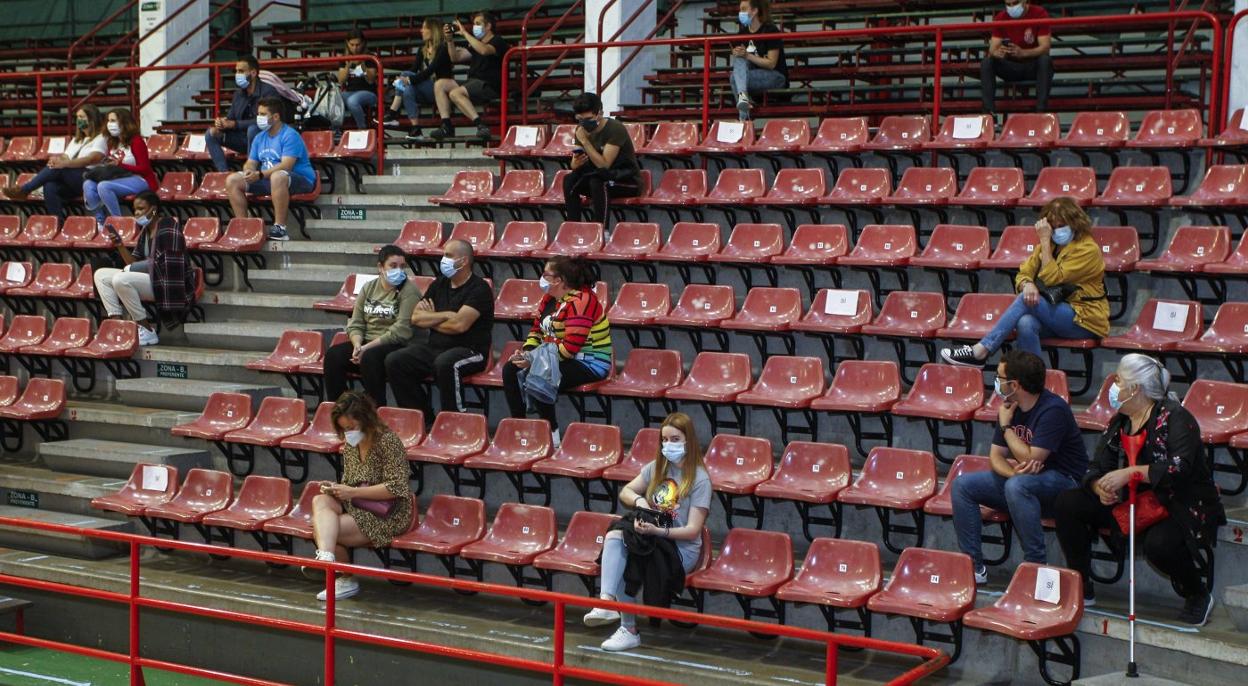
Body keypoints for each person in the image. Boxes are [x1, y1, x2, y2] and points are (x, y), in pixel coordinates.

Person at [1054, 354, 1225, 625]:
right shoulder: (1120, 421)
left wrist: (1131, 473)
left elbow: (1178, 469)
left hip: (1176, 504)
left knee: (1160, 545)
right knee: (1068, 502)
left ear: (1134, 389)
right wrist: (1100, 486)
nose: (1113, 386)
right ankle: (1082, 585)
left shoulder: (1176, 417)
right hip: (1130, 503)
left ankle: (1197, 593)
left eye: (1118, 380)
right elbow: (1096, 465)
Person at [952, 350, 1088, 583]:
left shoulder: (1052, 410)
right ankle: (975, 568)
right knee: (963, 485)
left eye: (1000, 377)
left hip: (1065, 484)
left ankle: (1035, 565)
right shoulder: (1010, 405)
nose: (996, 382)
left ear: (1015, 384)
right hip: (1027, 482)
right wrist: (1013, 473)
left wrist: (1006, 428)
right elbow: (996, 457)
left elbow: (1031, 458)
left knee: (1018, 487)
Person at [582, 411, 712, 651]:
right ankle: (606, 603)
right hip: (653, 538)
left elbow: (693, 531)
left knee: (629, 556)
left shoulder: (700, 479)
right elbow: (626, 492)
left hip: (680, 549)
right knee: (616, 535)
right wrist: (640, 502)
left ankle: (628, 628)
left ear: (688, 442)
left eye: (675, 439)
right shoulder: (656, 468)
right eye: (664, 440)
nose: (668, 445)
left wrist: (655, 531)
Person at [942, 197, 1107, 367]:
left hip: (1084, 319)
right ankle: (1032, 380)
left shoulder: (1088, 250)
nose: (1057, 231)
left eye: (1062, 226)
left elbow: (1052, 278)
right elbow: (1023, 273)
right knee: (1025, 323)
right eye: (1053, 226)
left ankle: (981, 350)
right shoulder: (1048, 246)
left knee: (1025, 300)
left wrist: (1043, 241)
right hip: (1055, 314)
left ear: (1075, 223)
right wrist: (1027, 283)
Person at [306, 391, 415, 601]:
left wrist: (351, 492)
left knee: (325, 529)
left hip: (389, 512)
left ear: (366, 420)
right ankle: (327, 557)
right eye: (344, 429)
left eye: (352, 427)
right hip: (357, 504)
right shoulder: (351, 446)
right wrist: (337, 489)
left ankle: (343, 577)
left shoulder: (388, 442)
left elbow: (397, 487)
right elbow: (352, 481)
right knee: (320, 501)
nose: (348, 433)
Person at [502, 256, 611, 446]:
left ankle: (551, 437)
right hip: (553, 357)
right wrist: (526, 353)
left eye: (546, 275)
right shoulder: (548, 299)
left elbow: (570, 348)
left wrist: (534, 361)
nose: (541, 278)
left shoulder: (582, 301)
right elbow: (536, 331)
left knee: (542, 374)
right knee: (511, 369)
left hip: (588, 362)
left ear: (559, 280)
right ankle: (519, 430)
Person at [384, 239, 493, 420]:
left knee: (445, 363)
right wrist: (447, 314)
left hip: (471, 350)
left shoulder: (479, 288)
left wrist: (433, 318)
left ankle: (454, 421)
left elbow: (459, 325)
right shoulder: (439, 284)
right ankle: (422, 419)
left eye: (448, 256)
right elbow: (416, 318)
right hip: (435, 347)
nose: (443, 260)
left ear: (464, 261)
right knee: (395, 361)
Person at [324, 245, 422, 407]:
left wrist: (366, 348)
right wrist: (357, 345)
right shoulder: (369, 287)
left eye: (402, 266)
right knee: (334, 355)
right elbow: (356, 323)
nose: (399, 270)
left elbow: (402, 330)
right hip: (367, 342)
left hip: (395, 344)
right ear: (380, 267)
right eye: (393, 266)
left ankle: (376, 409)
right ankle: (342, 409)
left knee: (370, 357)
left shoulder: (409, 291)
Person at [94, 191, 196, 345]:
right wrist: (120, 246)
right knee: (101, 275)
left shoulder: (169, 227)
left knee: (121, 279)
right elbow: (131, 263)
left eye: (141, 209)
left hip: (168, 282)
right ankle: (118, 327)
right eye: (135, 209)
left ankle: (147, 330)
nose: (137, 213)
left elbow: (169, 265)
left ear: (154, 210)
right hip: (151, 278)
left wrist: (132, 268)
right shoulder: (145, 231)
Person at [225, 97, 318, 241]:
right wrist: (248, 170)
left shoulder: (290, 135)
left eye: (263, 114)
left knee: (278, 176)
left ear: (275, 117)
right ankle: (244, 227)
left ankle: (280, 228)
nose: (258, 118)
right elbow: (251, 162)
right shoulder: (259, 137)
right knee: (233, 180)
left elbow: (287, 166)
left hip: (300, 179)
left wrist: (261, 175)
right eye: (258, 114)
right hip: (269, 179)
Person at [2, 105, 107, 218]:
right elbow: (65, 157)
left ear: (92, 119)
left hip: (89, 179)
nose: (78, 120)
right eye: (77, 117)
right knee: (50, 185)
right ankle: (58, 223)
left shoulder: (101, 138)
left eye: (82, 117)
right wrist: (57, 160)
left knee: (60, 169)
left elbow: (92, 159)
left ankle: (25, 190)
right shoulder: (77, 140)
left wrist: (64, 164)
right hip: (73, 181)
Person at [563, 92, 641, 230]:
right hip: (597, 176)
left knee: (598, 181)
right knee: (569, 180)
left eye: (588, 119)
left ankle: (601, 230)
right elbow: (574, 165)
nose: (584, 123)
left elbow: (604, 165)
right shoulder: (580, 129)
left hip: (624, 179)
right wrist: (576, 163)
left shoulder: (615, 128)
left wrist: (585, 142)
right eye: (580, 119)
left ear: (600, 113)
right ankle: (572, 228)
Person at [430, 11, 509, 141]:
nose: (474, 27)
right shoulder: (475, 43)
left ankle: (481, 125)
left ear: (488, 26)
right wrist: (450, 40)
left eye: (478, 24)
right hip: (472, 83)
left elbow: (484, 50)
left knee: (455, 93)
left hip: (489, 85)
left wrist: (465, 33)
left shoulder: (498, 41)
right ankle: (446, 126)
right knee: (440, 84)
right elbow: (456, 57)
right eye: (474, 24)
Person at [378, 18, 453, 140]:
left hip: (441, 91)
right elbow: (413, 70)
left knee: (406, 75)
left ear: (433, 30)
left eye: (424, 28)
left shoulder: (442, 48)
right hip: (427, 90)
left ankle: (392, 113)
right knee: (408, 90)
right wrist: (403, 79)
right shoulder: (422, 49)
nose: (421, 30)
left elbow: (429, 71)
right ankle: (416, 129)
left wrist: (407, 79)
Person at [83, 108, 158, 227]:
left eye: (113, 120)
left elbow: (145, 169)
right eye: (108, 120)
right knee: (88, 184)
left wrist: (120, 165)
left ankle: (118, 223)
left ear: (124, 122)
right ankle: (100, 222)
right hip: (119, 178)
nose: (109, 124)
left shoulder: (137, 141)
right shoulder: (112, 142)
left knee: (103, 186)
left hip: (141, 179)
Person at [205, 55, 275, 173]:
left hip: (265, 139)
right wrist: (223, 123)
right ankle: (224, 173)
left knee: (252, 130)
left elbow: (267, 121)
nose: (237, 74)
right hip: (242, 138)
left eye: (241, 71)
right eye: (236, 71)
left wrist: (235, 124)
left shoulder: (268, 91)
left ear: (253, 73)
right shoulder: (238, 94)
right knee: (211, 133)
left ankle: (251, 172)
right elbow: (231, 118)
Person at [981, 0, 1053, 114]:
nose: (1011, 7)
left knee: (1045, 60)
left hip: (1032, 66)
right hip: (1011, 67)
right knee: (987, 62)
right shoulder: (1001, 17)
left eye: (1015, 3)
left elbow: (1045, 48)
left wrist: (1023, 53)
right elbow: (992, 49)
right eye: (1008, 4)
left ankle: (1041, 111)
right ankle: (988, 112)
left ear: (1024, 1)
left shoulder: (1039, 13)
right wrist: (998, 53)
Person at [731, 0, 787, 121]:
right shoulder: (742, 33)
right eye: (740, 10)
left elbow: (771, 64)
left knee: (735, 78)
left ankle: (743, 112)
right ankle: (744, 103)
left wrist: (748, 55)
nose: (741, 13)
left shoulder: (770, 30)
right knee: (738, 61)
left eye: (744, 9)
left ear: (755, 11)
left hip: (776, 77)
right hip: (752, 76)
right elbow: (740, 64)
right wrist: (738, 53)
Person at [339, 30, 379, 130]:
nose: (355, 48)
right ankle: (336, 129)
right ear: (347, 43)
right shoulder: (344, 58)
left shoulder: (370, 57)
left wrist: (363, 65)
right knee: (333, 98)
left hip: (369, 92)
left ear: (363, 43)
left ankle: (362, 129)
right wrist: (347, 67)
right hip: (350, 91)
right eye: (352, 45)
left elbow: (371, 80)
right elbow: (341, 80)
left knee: (352, 101)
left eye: (358, 45)